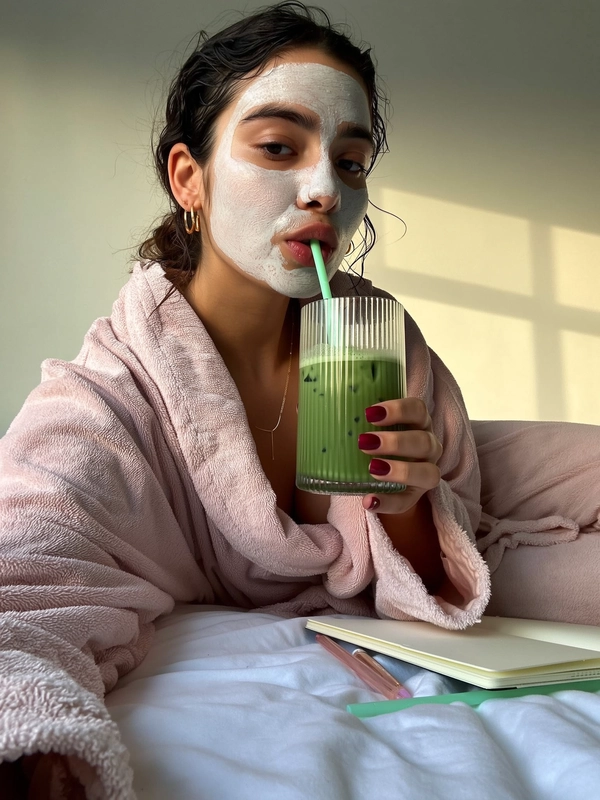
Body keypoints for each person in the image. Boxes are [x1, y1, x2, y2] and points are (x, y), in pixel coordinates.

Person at [1, 2, 599, 797]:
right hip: (445, 562)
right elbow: (28, 580)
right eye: (279, 147)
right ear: (191, 178)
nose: (323, 188)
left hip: (465, 494)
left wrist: (412, 502)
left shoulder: (372, 334)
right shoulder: (110, 397)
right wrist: (37, 741)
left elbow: (427, 541)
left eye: (350, 163)